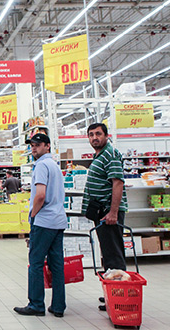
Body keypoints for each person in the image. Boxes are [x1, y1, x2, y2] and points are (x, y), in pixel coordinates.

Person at [14, 134, 66, 318]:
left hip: (44, 221)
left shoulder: (42, 166)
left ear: (48, 146)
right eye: (32, 145)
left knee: (35, 263)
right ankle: (58, 306)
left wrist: (33, 213)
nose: (34, 148)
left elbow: (40, 195)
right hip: (58, 220)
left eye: (38, 145)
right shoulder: (54, 165)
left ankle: (36, 304)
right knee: (57, 264)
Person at [80, 123, 127, 310]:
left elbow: (117, 184)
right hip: (102, 213)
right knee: (107, 255)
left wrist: (113, 212)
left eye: (98, 134)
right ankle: (111, 293)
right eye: (91, 134)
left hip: (109, 213)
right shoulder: (99, 154)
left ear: (106, 135)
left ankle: (120, 298)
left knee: (114, 255)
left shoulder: (111, 154)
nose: (94, 138)